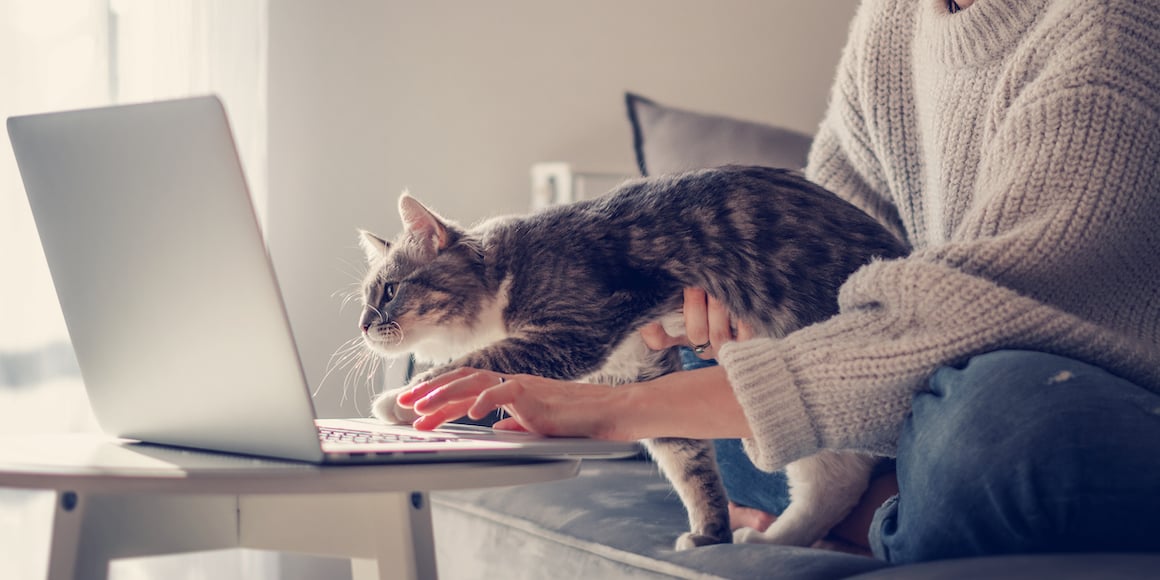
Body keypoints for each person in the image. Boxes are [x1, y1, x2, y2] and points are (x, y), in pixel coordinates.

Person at [399, 0, 1160, 564]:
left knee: (998, 429)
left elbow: (990, 311)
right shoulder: (894, 22)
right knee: (714, 388)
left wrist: (616, 409)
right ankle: (874, 497)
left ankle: (871, 509)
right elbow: (837, 245)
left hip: (1072, 381)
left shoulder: (1106, 31)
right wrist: (750, 329)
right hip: (902, 381)